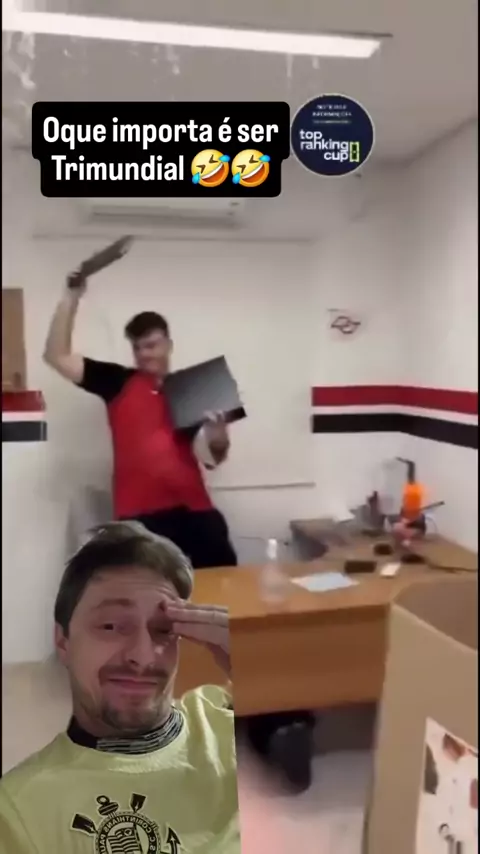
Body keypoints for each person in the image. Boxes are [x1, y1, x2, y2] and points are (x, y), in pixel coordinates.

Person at [0, 522, 238, 854]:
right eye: (111, 625)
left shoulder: (229, 718)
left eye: (164, 630)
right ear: (63, 641)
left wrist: (262, 669)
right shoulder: (19, 810)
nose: (143, 656)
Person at [43, 269, 237, 569]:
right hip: (141, 519)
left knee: (225, 584)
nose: (144, 354)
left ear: (168, 345)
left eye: (151, 345)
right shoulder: (117, 381)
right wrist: (71, 296)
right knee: (148, 593)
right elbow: (56, 356)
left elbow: (214, 458)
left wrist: (219, 434)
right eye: (137, 347)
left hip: (195, 510)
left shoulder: (190, 389)